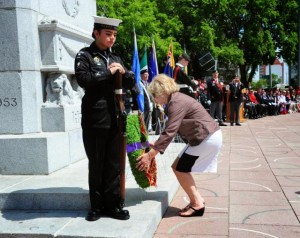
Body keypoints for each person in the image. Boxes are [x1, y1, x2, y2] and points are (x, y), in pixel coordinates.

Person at [74, 16, 135, 221]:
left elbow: (131, 83)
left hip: (116, 117)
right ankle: (96, 206)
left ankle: (113, 205)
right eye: (108, 34)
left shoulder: (116, 57)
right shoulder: (86, 56)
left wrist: (124, 72)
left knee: (114, 164)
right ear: (96, 33)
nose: (112, 38)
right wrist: (107, 73)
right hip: (95, 118)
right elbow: (84, 80)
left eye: (114, 35)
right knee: (97, 162)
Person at [136, 74, 222, 217]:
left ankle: (197, 204)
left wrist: (150, 155)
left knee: (180, 168)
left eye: (154, 95)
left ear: (162, 92)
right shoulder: (176, 99)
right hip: (205, 137)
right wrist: (156, 145)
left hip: (206, 138)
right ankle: (198, 200)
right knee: (178, 167)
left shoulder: (175, 102)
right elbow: (171, 130)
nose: (154, 99)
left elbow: (170, 131)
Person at [139, 68, 154, 132]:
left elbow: (150, 95)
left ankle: (146, 132)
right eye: (145, 74)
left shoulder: (147, 84)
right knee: (143, 120)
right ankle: (143, 133)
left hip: (148, 105)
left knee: (147, 120)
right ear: (141, 75)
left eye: (147, 74)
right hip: (143, 106)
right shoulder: (139, 84)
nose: (147, 76)